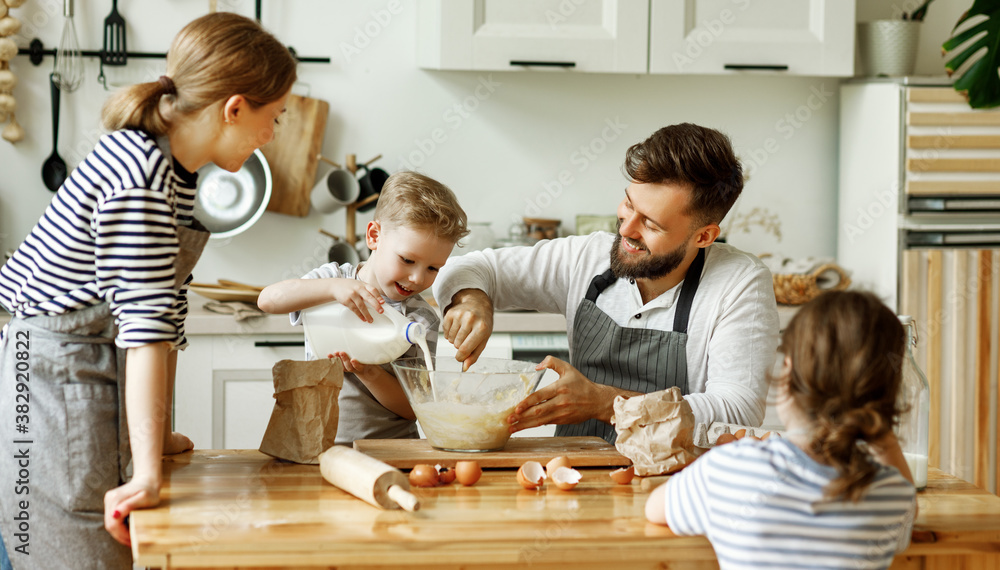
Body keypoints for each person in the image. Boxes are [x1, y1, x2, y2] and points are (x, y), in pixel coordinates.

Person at [0, 12, 296, 567]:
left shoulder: (172, 170)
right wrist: (149, 473)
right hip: (59, 383)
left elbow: (167, 310)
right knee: (79, 550)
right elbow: (144, 334)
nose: (271, 137)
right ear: (234, 109)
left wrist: (151, 445)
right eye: (273, 118)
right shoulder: (140, 175)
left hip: (77, 374)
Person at [433, 123, 780, 444]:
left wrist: (605, 403)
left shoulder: (738, 283)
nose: (627, 230)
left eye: (651, 224)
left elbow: (738, 413)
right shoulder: (587, 256)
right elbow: (470, 267)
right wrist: (473, 300)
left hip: (673, 484)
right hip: (571, 474)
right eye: (628, 205)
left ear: (704, 236)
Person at [645, 290, 918, 569]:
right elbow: (908, 509)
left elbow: (655, 508)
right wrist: (880, 431)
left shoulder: (733, 469)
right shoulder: (890, 495)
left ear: (787, 372)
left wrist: (728, 461)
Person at [257, 172, 469, 445]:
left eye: (432, 268)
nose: (418, 278)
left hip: (391, 448)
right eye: (407, 260)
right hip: (318, 442)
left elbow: (412, 408)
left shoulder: (419, 319)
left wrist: (369, 372)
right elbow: (268, 299)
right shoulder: (331, 282)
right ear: (374, 236)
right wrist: (333, 288)